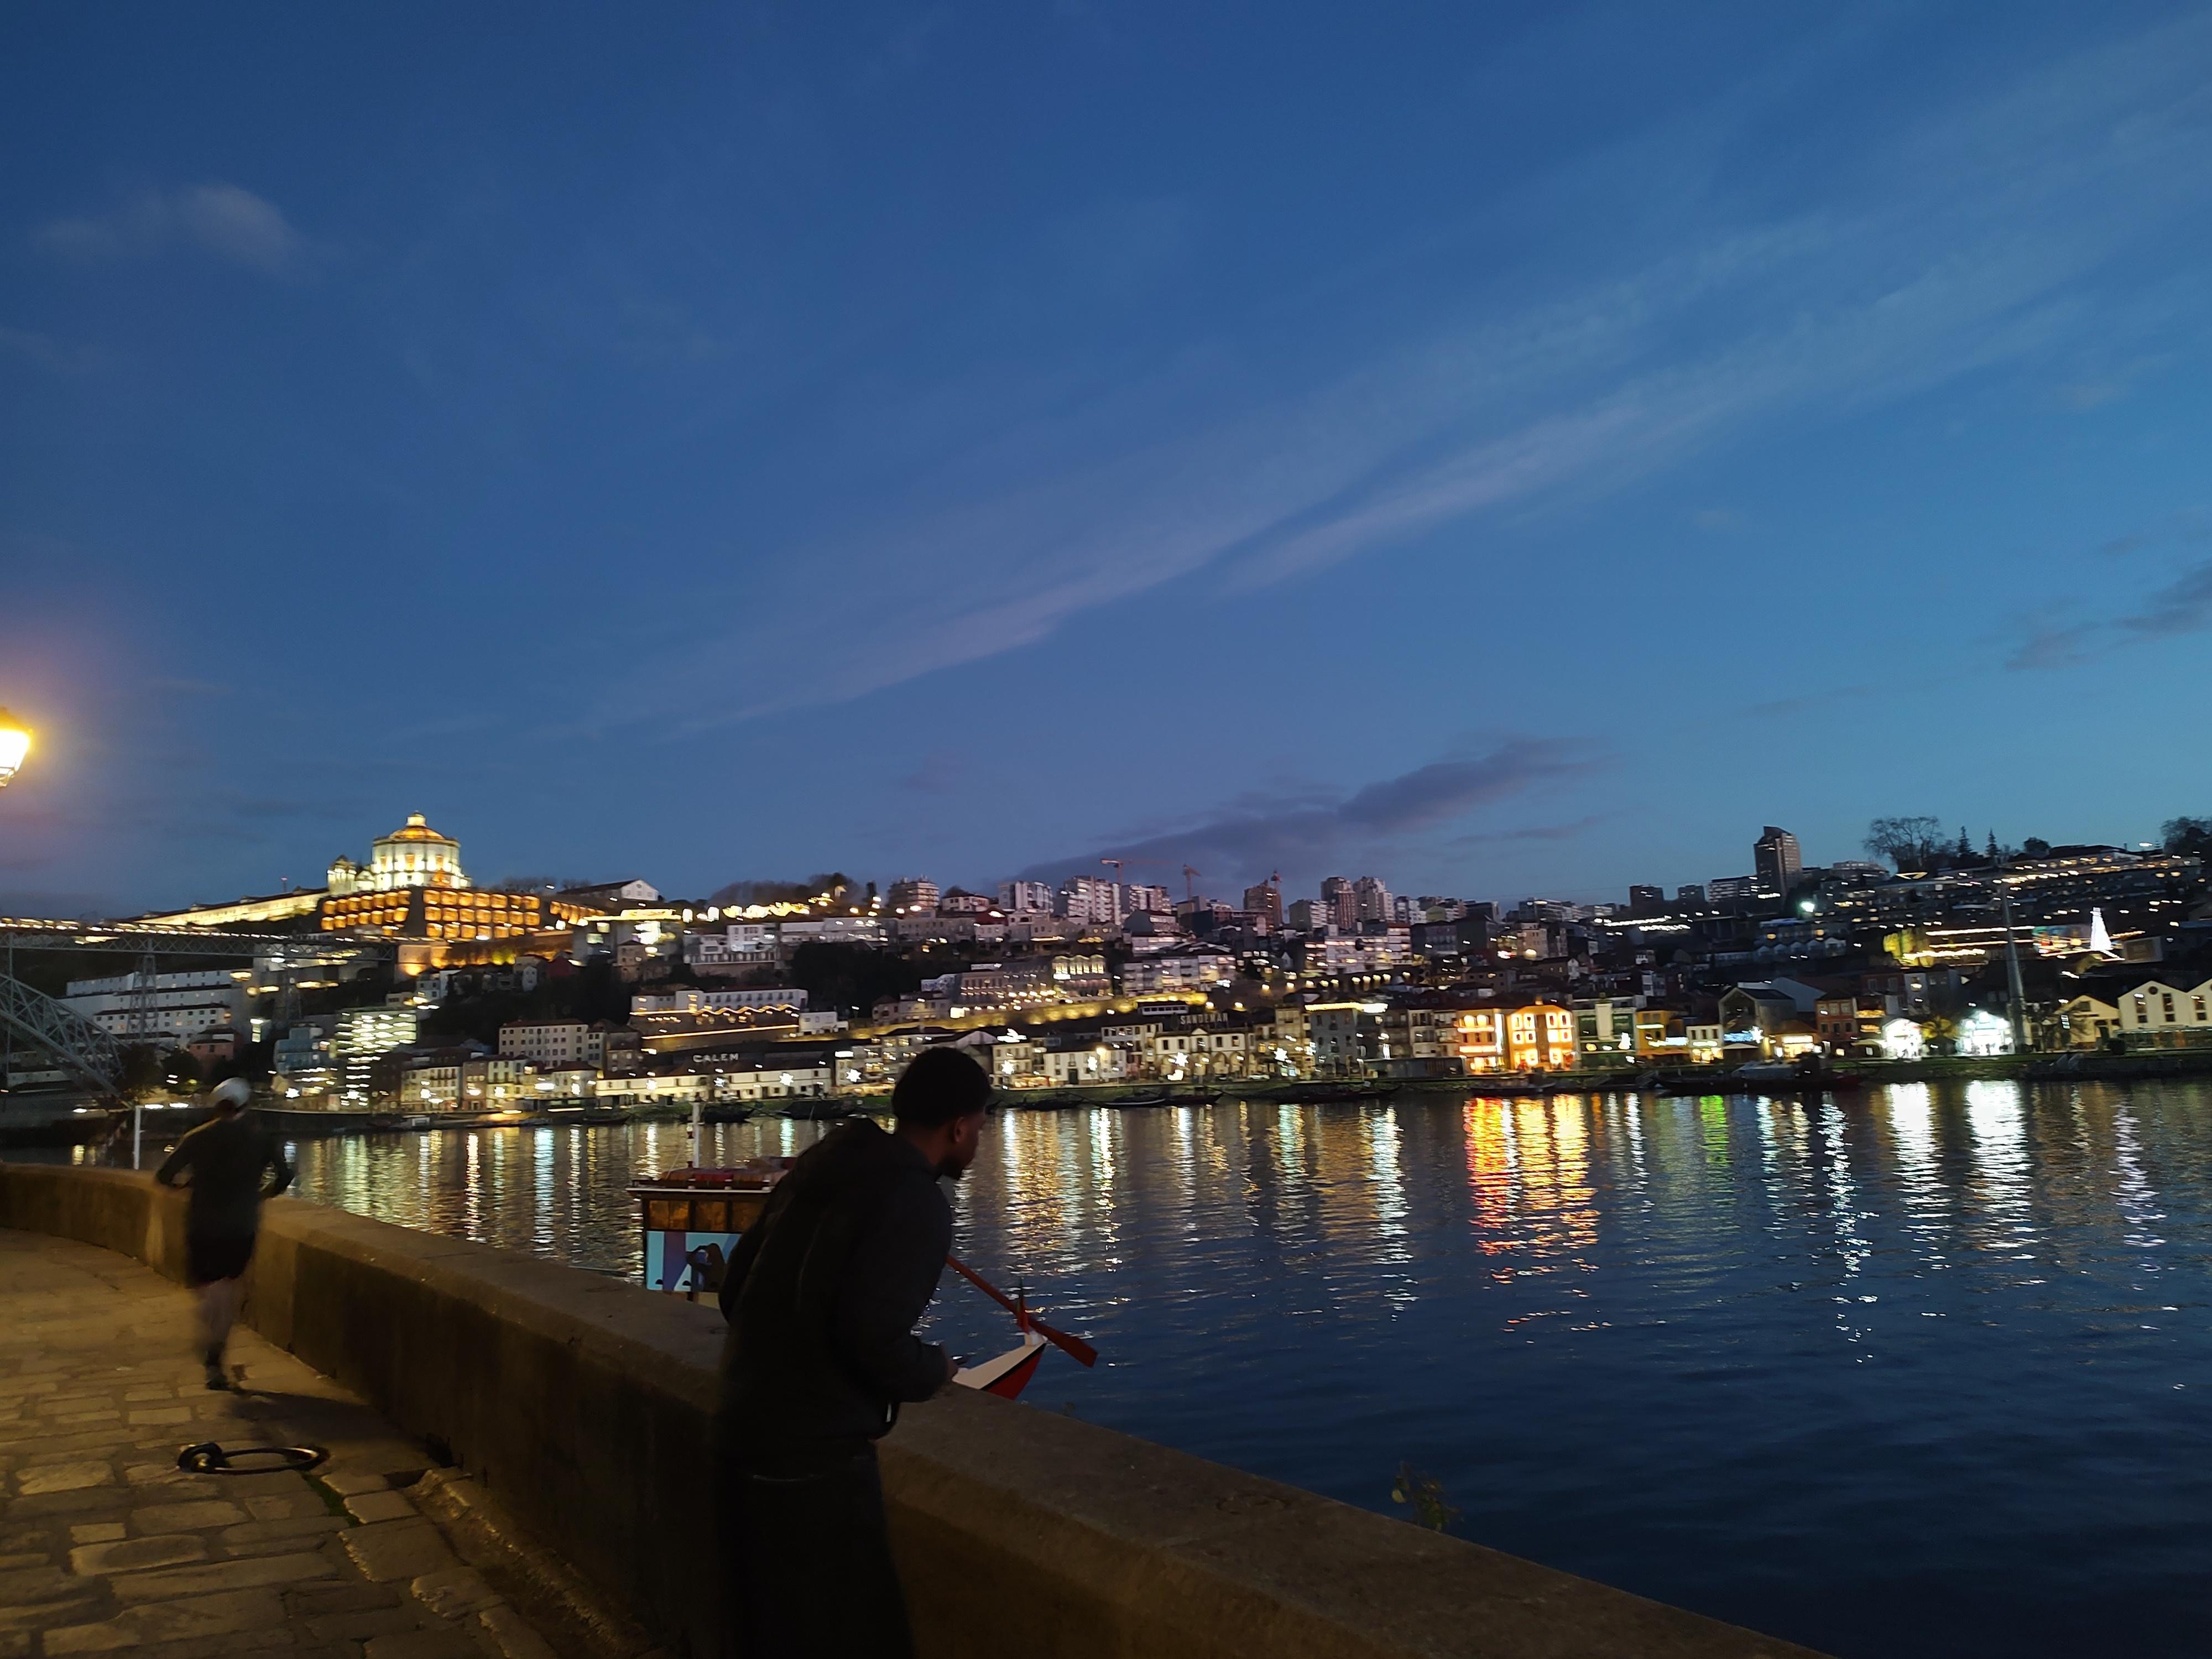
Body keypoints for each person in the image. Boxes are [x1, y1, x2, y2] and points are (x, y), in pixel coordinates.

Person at [716, 1046, 993, 1659]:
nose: (977, 1141)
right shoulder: (916, 1200)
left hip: (741, 1423)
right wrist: (934, 1369)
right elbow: (871, 1337)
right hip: (816, 1454)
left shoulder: (822, 1167)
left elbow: (735, 1292)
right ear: (958, 1128)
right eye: (979, 1128)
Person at [154, 1077, 293, 1389]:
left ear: (216, 1106)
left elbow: (164, 1175)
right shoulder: (260, 1138)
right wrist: (262, 1195)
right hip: (241, 1224)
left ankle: (208, 1332)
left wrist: (184, 1186)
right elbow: (285, 1175)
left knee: (207, 1285)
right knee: (229, 1285)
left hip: (202, 1223)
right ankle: (217, 1353)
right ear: (245, 1105)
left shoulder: (197, 1137)